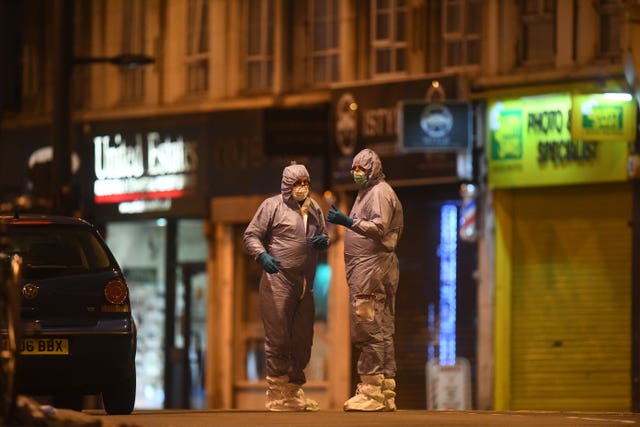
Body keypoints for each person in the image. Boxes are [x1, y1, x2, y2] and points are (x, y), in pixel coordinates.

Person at [243, 163, 330, 411]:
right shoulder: (272, 206)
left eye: (306, 183)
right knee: (278, 337)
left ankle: (293, 390)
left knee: (303, 339)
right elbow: (251, 235)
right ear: (286, 185)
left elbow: (323, 235)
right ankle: (277, 391)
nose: (302, 188)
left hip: (306, 284)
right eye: (297, 183)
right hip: (277, 281)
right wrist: (262, 256)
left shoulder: (314, 208)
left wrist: (324, 242)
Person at [326, 148, 404, 412]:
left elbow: (379, 227)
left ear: (372, 169)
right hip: (371, 269)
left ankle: (371, 389)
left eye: (361, 168)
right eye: (354, 168)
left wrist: (347, 221)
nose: (356, 173)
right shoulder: (369, 192)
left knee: (367, 323)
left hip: (371, 271)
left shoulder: (380, 193)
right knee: (380, 325)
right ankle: (385, 387)